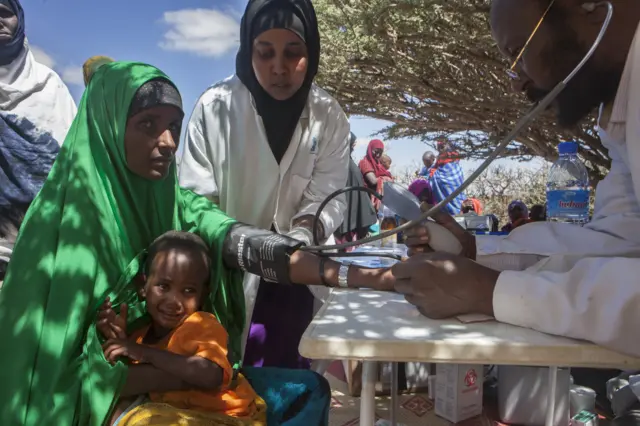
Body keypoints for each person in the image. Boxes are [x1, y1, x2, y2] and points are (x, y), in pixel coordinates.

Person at [0, 61, 394, 425]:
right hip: (111, 411)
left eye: (174, 124)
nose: (169, 141)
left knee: (308, 390)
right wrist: (172, 373)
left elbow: (259, 249)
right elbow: (53, 382)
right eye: (148, 124)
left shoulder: (175, 204)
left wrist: (378, 278)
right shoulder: (61, 234)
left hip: (175, 383)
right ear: (108, 127)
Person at [394, 0, 640, 418]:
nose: (515, 83)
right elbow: (619, 244)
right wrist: (477, 253)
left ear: (592, 8)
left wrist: (492, 293)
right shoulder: (621, 116)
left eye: (519, 52)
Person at [179, 0, 351, 371]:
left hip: (299, 283)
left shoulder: (329, 115)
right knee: (233, 383)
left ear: (312, 51)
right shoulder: (215, 107)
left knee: (293, 381)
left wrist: (304, 234)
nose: (279, 68)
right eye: (265, 52)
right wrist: (248, 244)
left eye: (294, 53)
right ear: (247, 48)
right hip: (231, 275)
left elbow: (329, 194)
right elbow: (195, 200)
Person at [100, 231, 266, 425]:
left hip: (229, 418)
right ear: (143, 286)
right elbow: (128, 382)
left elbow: (211, 374)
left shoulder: (201, 325)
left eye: (188, 291)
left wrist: (144, 353)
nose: (174, 301)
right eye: (163, 286)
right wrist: (121, 341)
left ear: (204, 295)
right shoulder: (140, 336)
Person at [0, 0, 76, 285]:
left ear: (19, 19)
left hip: (45, 250)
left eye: (5, 13)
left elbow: (73, 164)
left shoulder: (49, 86)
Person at [334, 132, 377, 250]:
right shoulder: (348, 166)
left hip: (343, 224)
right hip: (345, 228)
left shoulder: (342, 163)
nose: (353, 147)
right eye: (352, 145)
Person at [428, 140, 466, 215]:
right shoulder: (436, 169)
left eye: (442, 146)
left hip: (454, 210)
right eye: (439, 147)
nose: (440, 149)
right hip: (457, 209)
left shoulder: (436, 172)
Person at [359, 139, 393, 212]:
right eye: (376, 151)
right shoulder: (365, 163)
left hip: (382, 200)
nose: (378, 155)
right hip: (368, 200)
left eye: (380, 152)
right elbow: (373, 181)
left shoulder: (378, 165)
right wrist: (386, 178)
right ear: (370, 149)